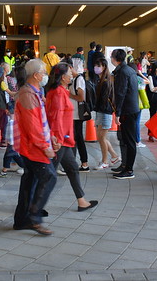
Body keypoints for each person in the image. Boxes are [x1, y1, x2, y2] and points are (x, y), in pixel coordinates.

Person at [13, 59, 56, 235]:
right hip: (32, 148)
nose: (45, 75)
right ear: (37, 75)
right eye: (44, 72)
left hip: (31, 146)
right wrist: (44, 145)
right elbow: (33, 126)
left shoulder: (33, 92)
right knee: (49, 177)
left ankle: (22, 220)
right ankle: (33, 217)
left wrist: (51, 138)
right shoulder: (28, 95)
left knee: (30, 182)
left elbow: (40, 121)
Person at [46, 63, 97, 212]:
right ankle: (34, 205)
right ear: (63, 77)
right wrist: (58, 139)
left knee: (73, 169)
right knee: (49, 175)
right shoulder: (58, 93)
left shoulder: (61, 91)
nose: (71, 74)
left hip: (65, 140)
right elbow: (56, 118)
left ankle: (81, 201)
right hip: (60, 141)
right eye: (69, 73)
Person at [110, 49, 139, 179]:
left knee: (129, 141)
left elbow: (121, 94)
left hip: (128, 110)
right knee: (126, 139)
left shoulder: (122, 72)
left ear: (116, 58)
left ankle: (129, 170)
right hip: (132, 108)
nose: (110, 59)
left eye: (111, 57)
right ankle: (125, 166)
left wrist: (118, 113)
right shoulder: (129, 70)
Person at [93, 58, 120, 169]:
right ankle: (114, 156)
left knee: (102, 137)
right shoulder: (101, 80)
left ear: (104, 66)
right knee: (100, 137)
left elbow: (104, 99)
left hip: (105, 111)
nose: (96, 68)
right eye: (95, 65)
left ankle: (105, 161)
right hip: (101, 111)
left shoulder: (106, 81)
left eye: (98, 65)